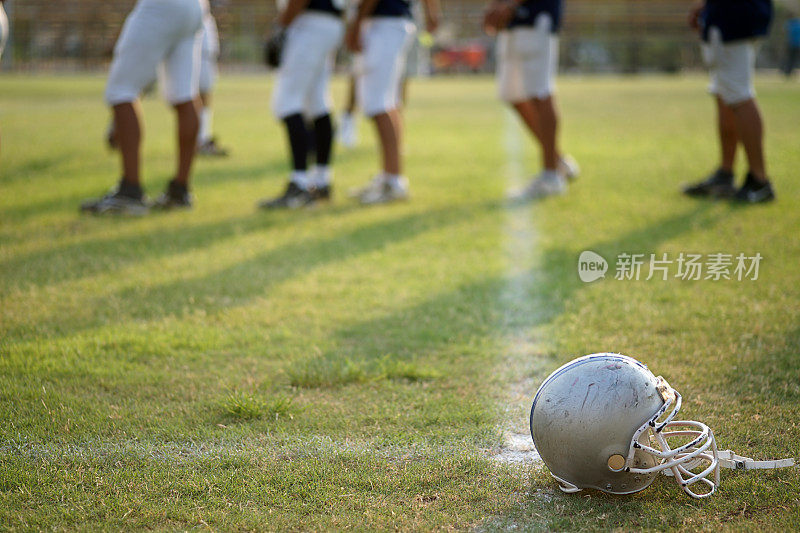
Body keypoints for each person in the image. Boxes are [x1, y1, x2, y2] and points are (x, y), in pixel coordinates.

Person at [82, 0, 205, 214]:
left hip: (162, 5)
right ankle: (180, 190)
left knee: (120, 91)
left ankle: (131, 191)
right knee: (184, 95)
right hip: (194, 6)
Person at [345, 0, 440, 205]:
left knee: (378, 104)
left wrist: (357, 23)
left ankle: (393, 181)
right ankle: (390, 177)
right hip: (389, 22)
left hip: (384, 22)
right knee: (388, 102)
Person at [483, 0, 579, 200]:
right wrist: (494, 8)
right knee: (512, 94)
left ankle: (551, 175)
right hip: (513, 24)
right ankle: (557, 160)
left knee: (540, 92)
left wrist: (508, 5)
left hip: (536, 17)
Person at [683, 0, 775, 203]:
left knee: (738, 95)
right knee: (725, 92)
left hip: (733, 17)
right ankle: (725, 174)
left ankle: (759, 181)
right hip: (731, 15)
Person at [259, 0, 344, 209]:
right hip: (329, 22)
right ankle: (321, 181)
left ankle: (299, 184)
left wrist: (281, 26)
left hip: (309, 21)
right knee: (317, 103)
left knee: (287, 102)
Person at [196, 7, 230, 156]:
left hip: (206, 52)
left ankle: (202, 137)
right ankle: (199, 140)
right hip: (199, 52)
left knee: (204, 96)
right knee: (194, 96)